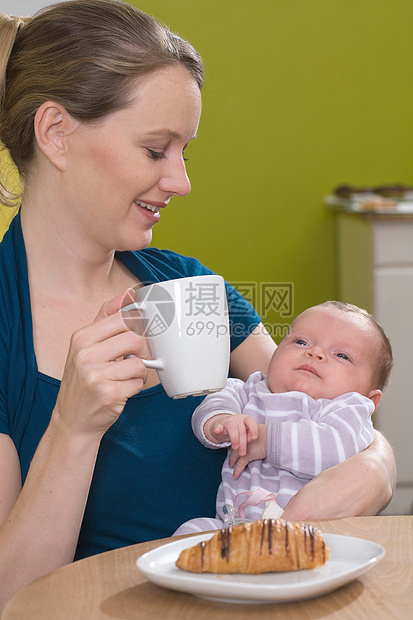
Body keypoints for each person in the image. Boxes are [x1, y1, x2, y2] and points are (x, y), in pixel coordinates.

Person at [0, 0, 395, 608]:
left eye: (185, 151)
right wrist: (72, 429)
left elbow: (328, 405)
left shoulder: (190, 289)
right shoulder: (6, 330)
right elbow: (9, 597)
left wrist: (377, 468)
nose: (181, 181)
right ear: (56, 133)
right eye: (157, 150)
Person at [174, 301, 392, 535]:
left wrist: (266, 440)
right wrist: (221, 422)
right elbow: (213, 405)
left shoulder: (347, 407)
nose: (315, 352)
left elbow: (335, 448)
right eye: (301, 342)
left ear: (371, 400)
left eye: (341, 355)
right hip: (233, 527)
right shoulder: (250, 390)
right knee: (190, 532)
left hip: (314, 531)